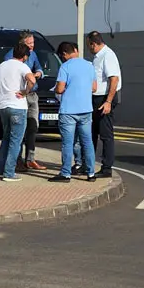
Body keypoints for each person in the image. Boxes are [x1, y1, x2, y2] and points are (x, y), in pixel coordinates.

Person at [48, 42, 97, 183]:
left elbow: (59, 89)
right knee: (87, 142)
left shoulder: (65, 67)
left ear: (64, 54)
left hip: (68, 110)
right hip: (86, 109)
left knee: (67, 143)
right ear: (75, 50)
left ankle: (66, 174)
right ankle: (91, 173)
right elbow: (94, 88)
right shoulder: (89, 65)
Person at [0, 41, 36, 182]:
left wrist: (1, 100)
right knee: (15, 141)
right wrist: (25, 91)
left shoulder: (0, 67)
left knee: (6, 138)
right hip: (18, 107)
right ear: (24, 56)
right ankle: (9, 173)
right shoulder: (23, 67)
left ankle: (1, 170)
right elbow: (32, 80)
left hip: (4, 106)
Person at [3, 30, 46, 172]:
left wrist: (38, 73)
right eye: (29, 43)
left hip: (32, 95)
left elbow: (39, 68)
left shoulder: (33, 54)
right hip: (20, 96)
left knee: (33, 127)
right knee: (18, 130)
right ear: (22, 44)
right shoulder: (10, 57)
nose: (32, 45)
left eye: (33, 42)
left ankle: (30, 159)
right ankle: (17, 160)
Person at [87, 31, 122, 178]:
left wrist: (108, 101)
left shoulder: (107, 55)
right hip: (97, 98)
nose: (88, 48)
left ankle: (107, 168)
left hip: (104, 99)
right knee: (92, 133)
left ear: (93, 44)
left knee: (105, 134)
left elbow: (114, 79)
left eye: (89, 45)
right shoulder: (98, 56)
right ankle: (87, 164)